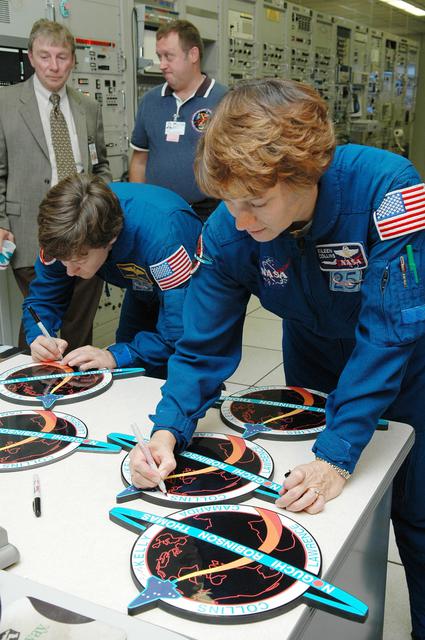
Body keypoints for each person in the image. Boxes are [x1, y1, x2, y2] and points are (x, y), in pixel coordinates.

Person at [129, 78, 425, 638]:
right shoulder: (229, 229)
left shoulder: (388, 190)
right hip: (311, 363)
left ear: (304, 172)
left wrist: (338, 453)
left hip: (405, 369)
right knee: (311, 509)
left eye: (256, 203)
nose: (240, 220)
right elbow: (202, 342)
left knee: (416, 513)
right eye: (230, 202)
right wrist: (169, 430)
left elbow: (390, 330)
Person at [0, 19, 111, 350]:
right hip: (29, 232)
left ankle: (79, 375)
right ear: (31, 57)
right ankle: (29, 374)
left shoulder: (88, 107)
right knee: (39, 316)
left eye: (62, 57)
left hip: (87, 229)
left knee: (80, 319)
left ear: (73, 60)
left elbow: (100, 165)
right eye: (45, 56)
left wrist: (103, 211)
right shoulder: (5, 103)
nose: (54, 65)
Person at [23, 174, 202, 378]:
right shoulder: (62, 234)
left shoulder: (164, 242)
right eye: (64, 261)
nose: (70, 272)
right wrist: (38, 337)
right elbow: (43, 299)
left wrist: (114, 356)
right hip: (140, 287)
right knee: (127, 362)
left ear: (111, 239)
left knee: (185, 368)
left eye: (79, 261)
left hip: (189, 291)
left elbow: (179, 334)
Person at [128, 19, 227, 222]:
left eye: (169, 56)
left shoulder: (224, 100)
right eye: (159, 57)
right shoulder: (150, 101)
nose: (162, 65)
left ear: (193, 55)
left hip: (209, 215)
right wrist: (137, 207)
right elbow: (139, 160)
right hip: (158, 213)